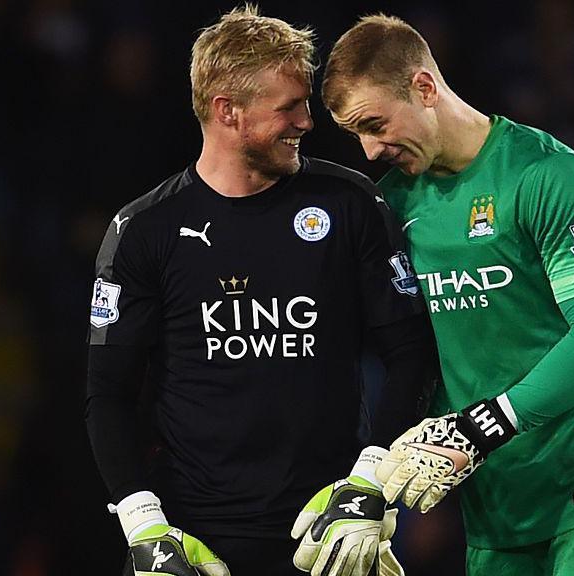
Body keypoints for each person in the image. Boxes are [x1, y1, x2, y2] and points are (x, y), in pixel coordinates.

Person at [85, 7, 437, 576]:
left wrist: (369, 482)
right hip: (194, 547)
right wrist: (143, 524)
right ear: (227, 111)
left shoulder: (351, 204)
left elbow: (411, 351)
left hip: (327, 540)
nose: (307, 122)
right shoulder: (144, 231)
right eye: (288, 108)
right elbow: (107, 392)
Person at [320, 14, 574, 576]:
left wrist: (485, 425)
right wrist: (372, 483)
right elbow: (411, 359)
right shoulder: (392, 208)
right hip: (496, 516)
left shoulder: (549, 177)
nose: (368, 150)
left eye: (375, 124)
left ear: (424, 87)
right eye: (355, 134)